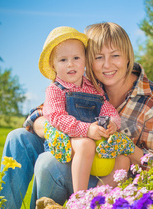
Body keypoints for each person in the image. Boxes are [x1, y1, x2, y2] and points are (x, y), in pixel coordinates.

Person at [0, 22, 153, 209]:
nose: (106, 65)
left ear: (128, 56)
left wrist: (125, 145)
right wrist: (66, 133)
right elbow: (37, 116)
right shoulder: (85, 81)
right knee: (18, 137)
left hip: (108, 177)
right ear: (88, 59)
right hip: (77, 151)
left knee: (47, 162)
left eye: (115, 56)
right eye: (98, 57)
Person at [38, 26, 125, 193]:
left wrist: (113, 122)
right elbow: (56, 117)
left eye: (76, 58)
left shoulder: (94, 88)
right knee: (85, 144)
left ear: (85, 60)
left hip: (93, 145)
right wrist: (86, 129)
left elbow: (108, 109)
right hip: (67, 143)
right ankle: (80, 196)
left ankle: (97, 197)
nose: (70, 64)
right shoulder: (56, 90)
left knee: (123, 159)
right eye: (63, 60)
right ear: (53, 65)